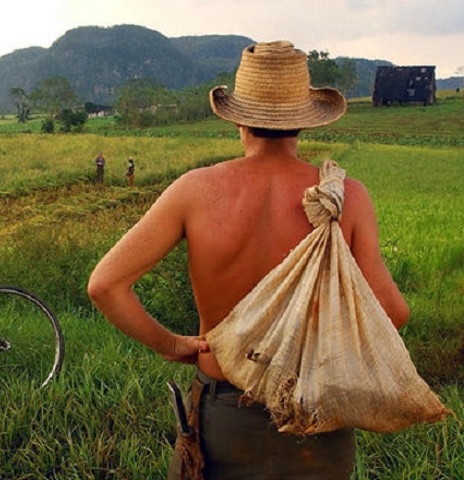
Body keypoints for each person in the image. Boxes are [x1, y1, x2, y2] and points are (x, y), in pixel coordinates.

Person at [87, 41, 409, 479]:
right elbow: (392, 312)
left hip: (224, 414)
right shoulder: (346, 199)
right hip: (317, 420)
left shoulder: (195, 191)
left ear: (238, 118)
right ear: (305, 121)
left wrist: (174, 345)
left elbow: (105, 285)